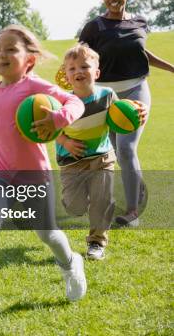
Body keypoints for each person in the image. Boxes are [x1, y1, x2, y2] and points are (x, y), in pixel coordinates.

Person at [0, 25, 87, 315]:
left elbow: (75, 101)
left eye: (11, 49)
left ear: (30, 60)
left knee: (46, 233)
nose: (2, 55)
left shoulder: (35, 87)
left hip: (34, 175)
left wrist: (60, 119)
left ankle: (70, 263)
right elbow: (0, 126)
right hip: (1, 173)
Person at [78, 0, 174, 227]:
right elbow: (80, 55)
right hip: (105, 97)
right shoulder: (94, 27)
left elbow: (141, 51)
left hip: (135, 90)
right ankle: (138, 192)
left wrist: (172, 68)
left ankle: (133, 212)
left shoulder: (141, 21)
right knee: (118, 153)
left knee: (127, 148)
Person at [56, 44, 147, 260]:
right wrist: (66, 141)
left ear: (96, 73)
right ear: (66, 76)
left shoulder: (107, 95)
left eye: (84, 66)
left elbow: (120, 116)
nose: (78, 71)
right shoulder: (62, 101)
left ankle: (96, 242)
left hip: (102, 157)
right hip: (72, 161)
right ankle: (72, 202)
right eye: (72, 68)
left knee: (102, 202)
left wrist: (137, 111)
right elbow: (51, 129)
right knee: (76, 208)